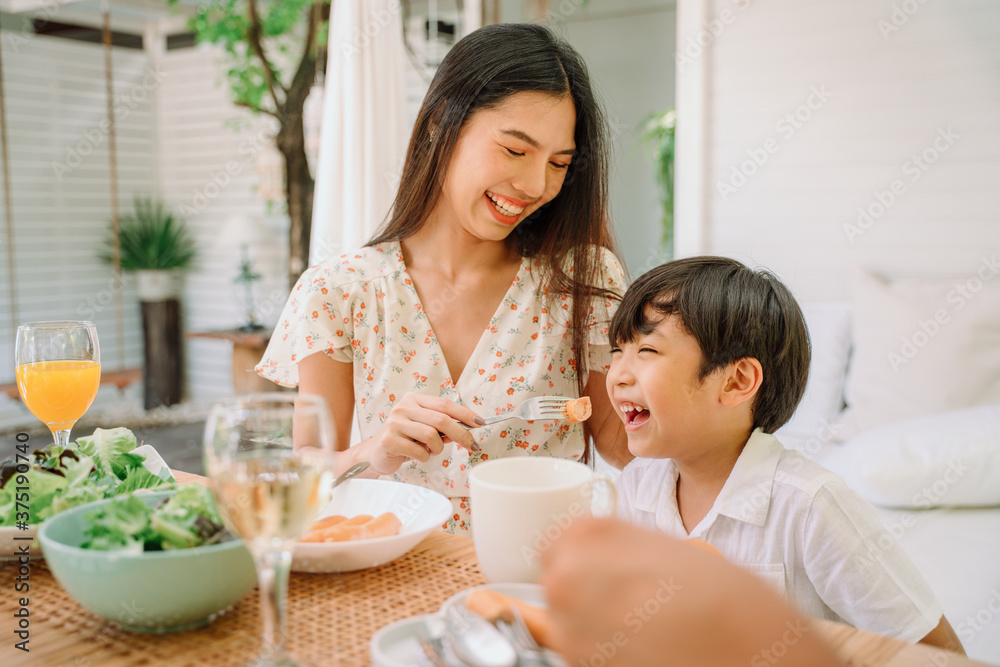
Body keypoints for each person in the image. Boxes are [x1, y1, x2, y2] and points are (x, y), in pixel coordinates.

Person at [256, 23, 630, 533]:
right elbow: (302, 473)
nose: (536, 184)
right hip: (397, 580)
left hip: (542, 585)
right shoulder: (341, 290)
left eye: (559, 162)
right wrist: (376, 451)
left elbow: (624, 444)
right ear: (439, 123)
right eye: (515, 151)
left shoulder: (582, 279)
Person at [605, 257, 964, 652]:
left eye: (648, 350)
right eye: (617, 351)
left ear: (737, 381)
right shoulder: (635, 486)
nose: (617, 373)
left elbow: (940, 654)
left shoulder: (812, 507)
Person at [541, 518, 848, 667]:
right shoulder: (638, 480)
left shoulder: (812, 505)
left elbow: (897, 625)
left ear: (735, 386)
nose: (617, 386)